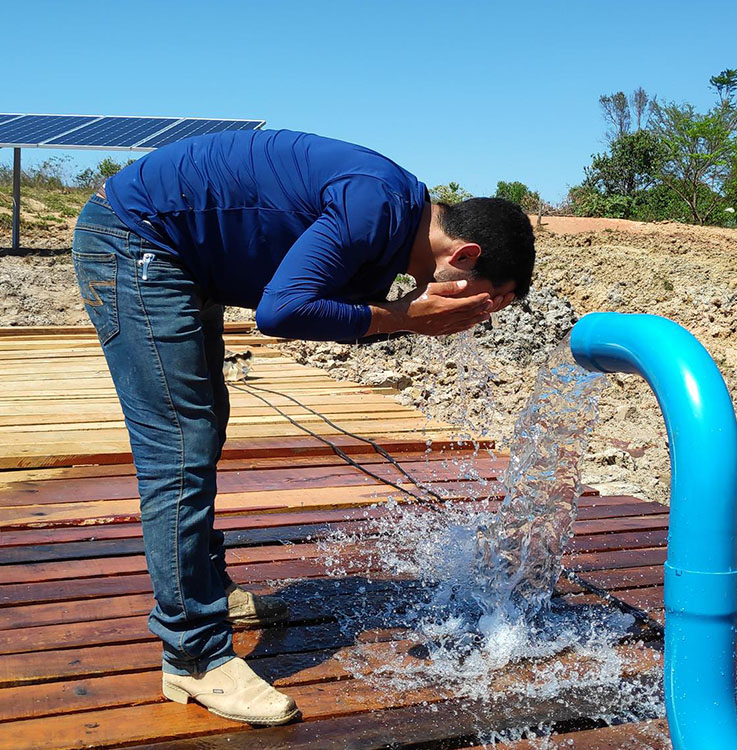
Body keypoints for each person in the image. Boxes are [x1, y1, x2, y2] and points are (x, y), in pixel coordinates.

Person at [71, 128, 535, 725]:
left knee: (205, 425)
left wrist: (401, 316)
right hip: (136, 238)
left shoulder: (395, 227)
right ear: (464, 255)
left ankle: (204, 589)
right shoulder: (375, 206)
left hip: (178, 252)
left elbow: (334, 309)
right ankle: (194, 654)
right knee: (179, 445)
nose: (478, 314)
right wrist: (404, 317)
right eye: (485, 300)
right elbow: (281, 310)